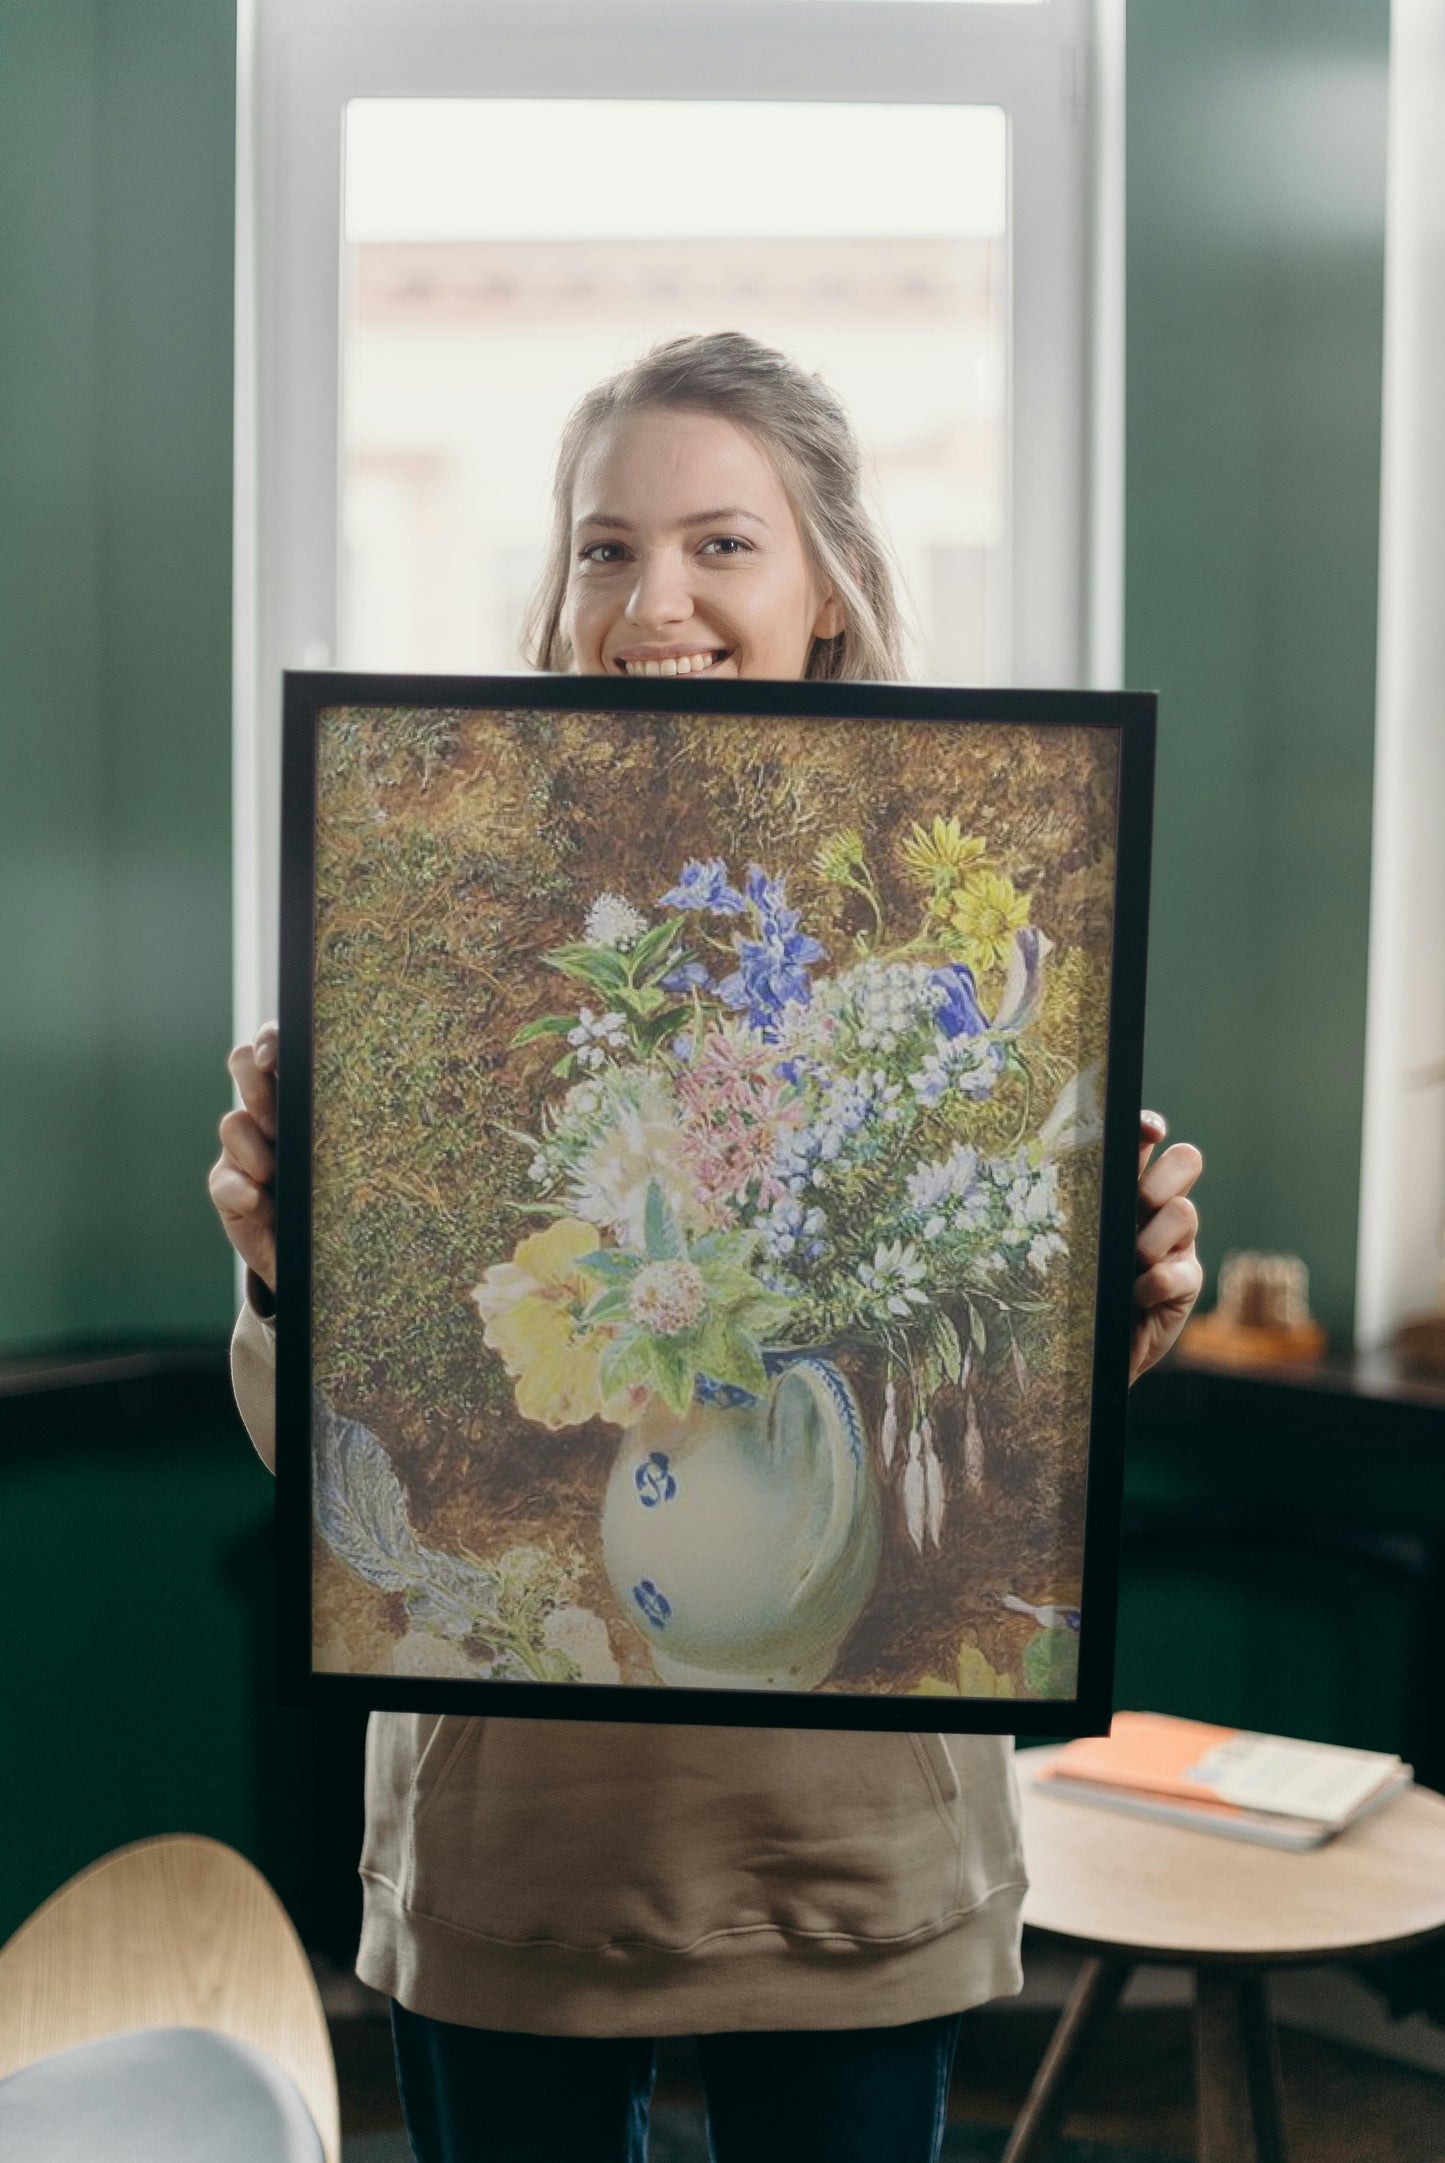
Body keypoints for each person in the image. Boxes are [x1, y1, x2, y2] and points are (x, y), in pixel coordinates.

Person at [210, 332, 1204, 2163]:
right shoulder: (434, 914)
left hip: (849, 1842)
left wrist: (1108, 1308)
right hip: (519, 1845)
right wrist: (292, 1274)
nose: (649, 597)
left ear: (827, 584)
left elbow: (988, 1451)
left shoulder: (969, 903)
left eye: (719, 544)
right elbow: (350, 1461)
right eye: (604, 546)